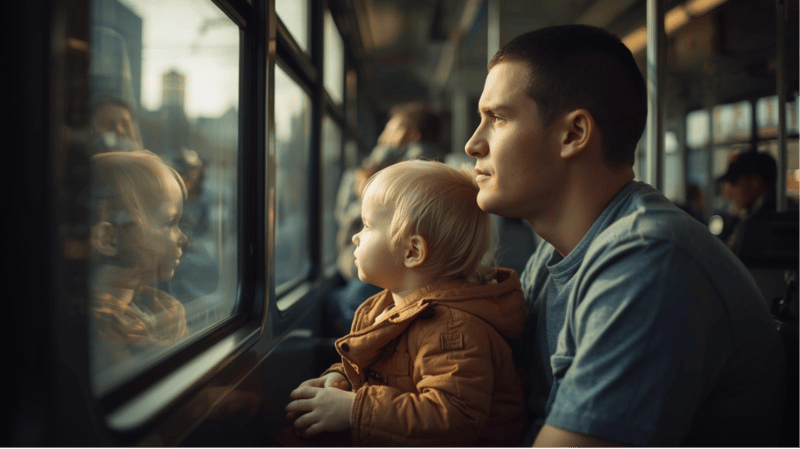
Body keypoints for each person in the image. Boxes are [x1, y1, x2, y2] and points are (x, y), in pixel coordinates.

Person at [464, 24, 786, 447]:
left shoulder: (649, 260)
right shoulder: (553, 257)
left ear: (574, 134)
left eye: (498, 119)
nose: (473, 144)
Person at [283, 160, 527, 446]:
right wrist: (340, 380)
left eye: (367, 226)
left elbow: (451, 419)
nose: (355, 237)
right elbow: (376, 372)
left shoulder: (454, 330)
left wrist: (351, 410)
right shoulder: (385, 306)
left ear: (412, 251)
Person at [326, 102, 445, 336]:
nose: (382, 138)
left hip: (385, 275)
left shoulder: (402, 172)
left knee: (335, 304)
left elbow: (348, 217)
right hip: (403, 273)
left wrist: (373, 167)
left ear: (410, 134)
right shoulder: (436, 168)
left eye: (389, 130)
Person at [90, 150, 189, 370]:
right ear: (109, 239)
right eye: (170, 223)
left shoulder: (161, 308)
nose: (183, 238)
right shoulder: (101, 331)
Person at [718, 150, 778, 252]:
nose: (729, 192)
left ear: (755, 182)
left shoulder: (762, 222)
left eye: (734, 183)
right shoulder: (754, 215)